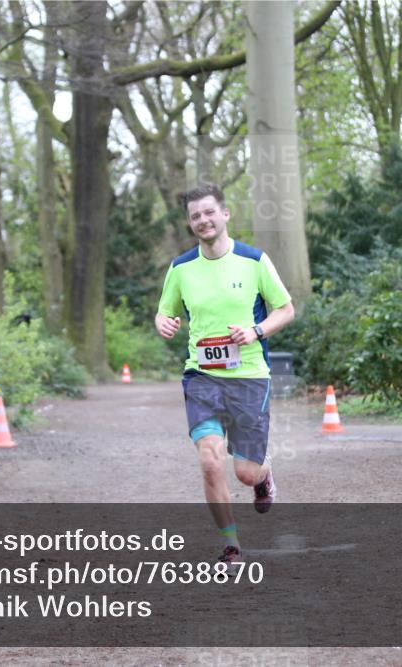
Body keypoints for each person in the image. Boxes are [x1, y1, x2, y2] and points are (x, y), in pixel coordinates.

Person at [155, 184, 295, 567]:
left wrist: (256, 331)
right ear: (190, 223)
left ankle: (264, 476)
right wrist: (163, 322)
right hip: (202, 376)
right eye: (195, 216)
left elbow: (286, 309)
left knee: (246, 473)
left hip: (249, 376)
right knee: (210, 460)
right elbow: (164, 311)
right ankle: (231, 546)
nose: (203, 220)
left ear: (225, 214)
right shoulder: (181, 268)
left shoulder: (254, 260)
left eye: (208, 212)